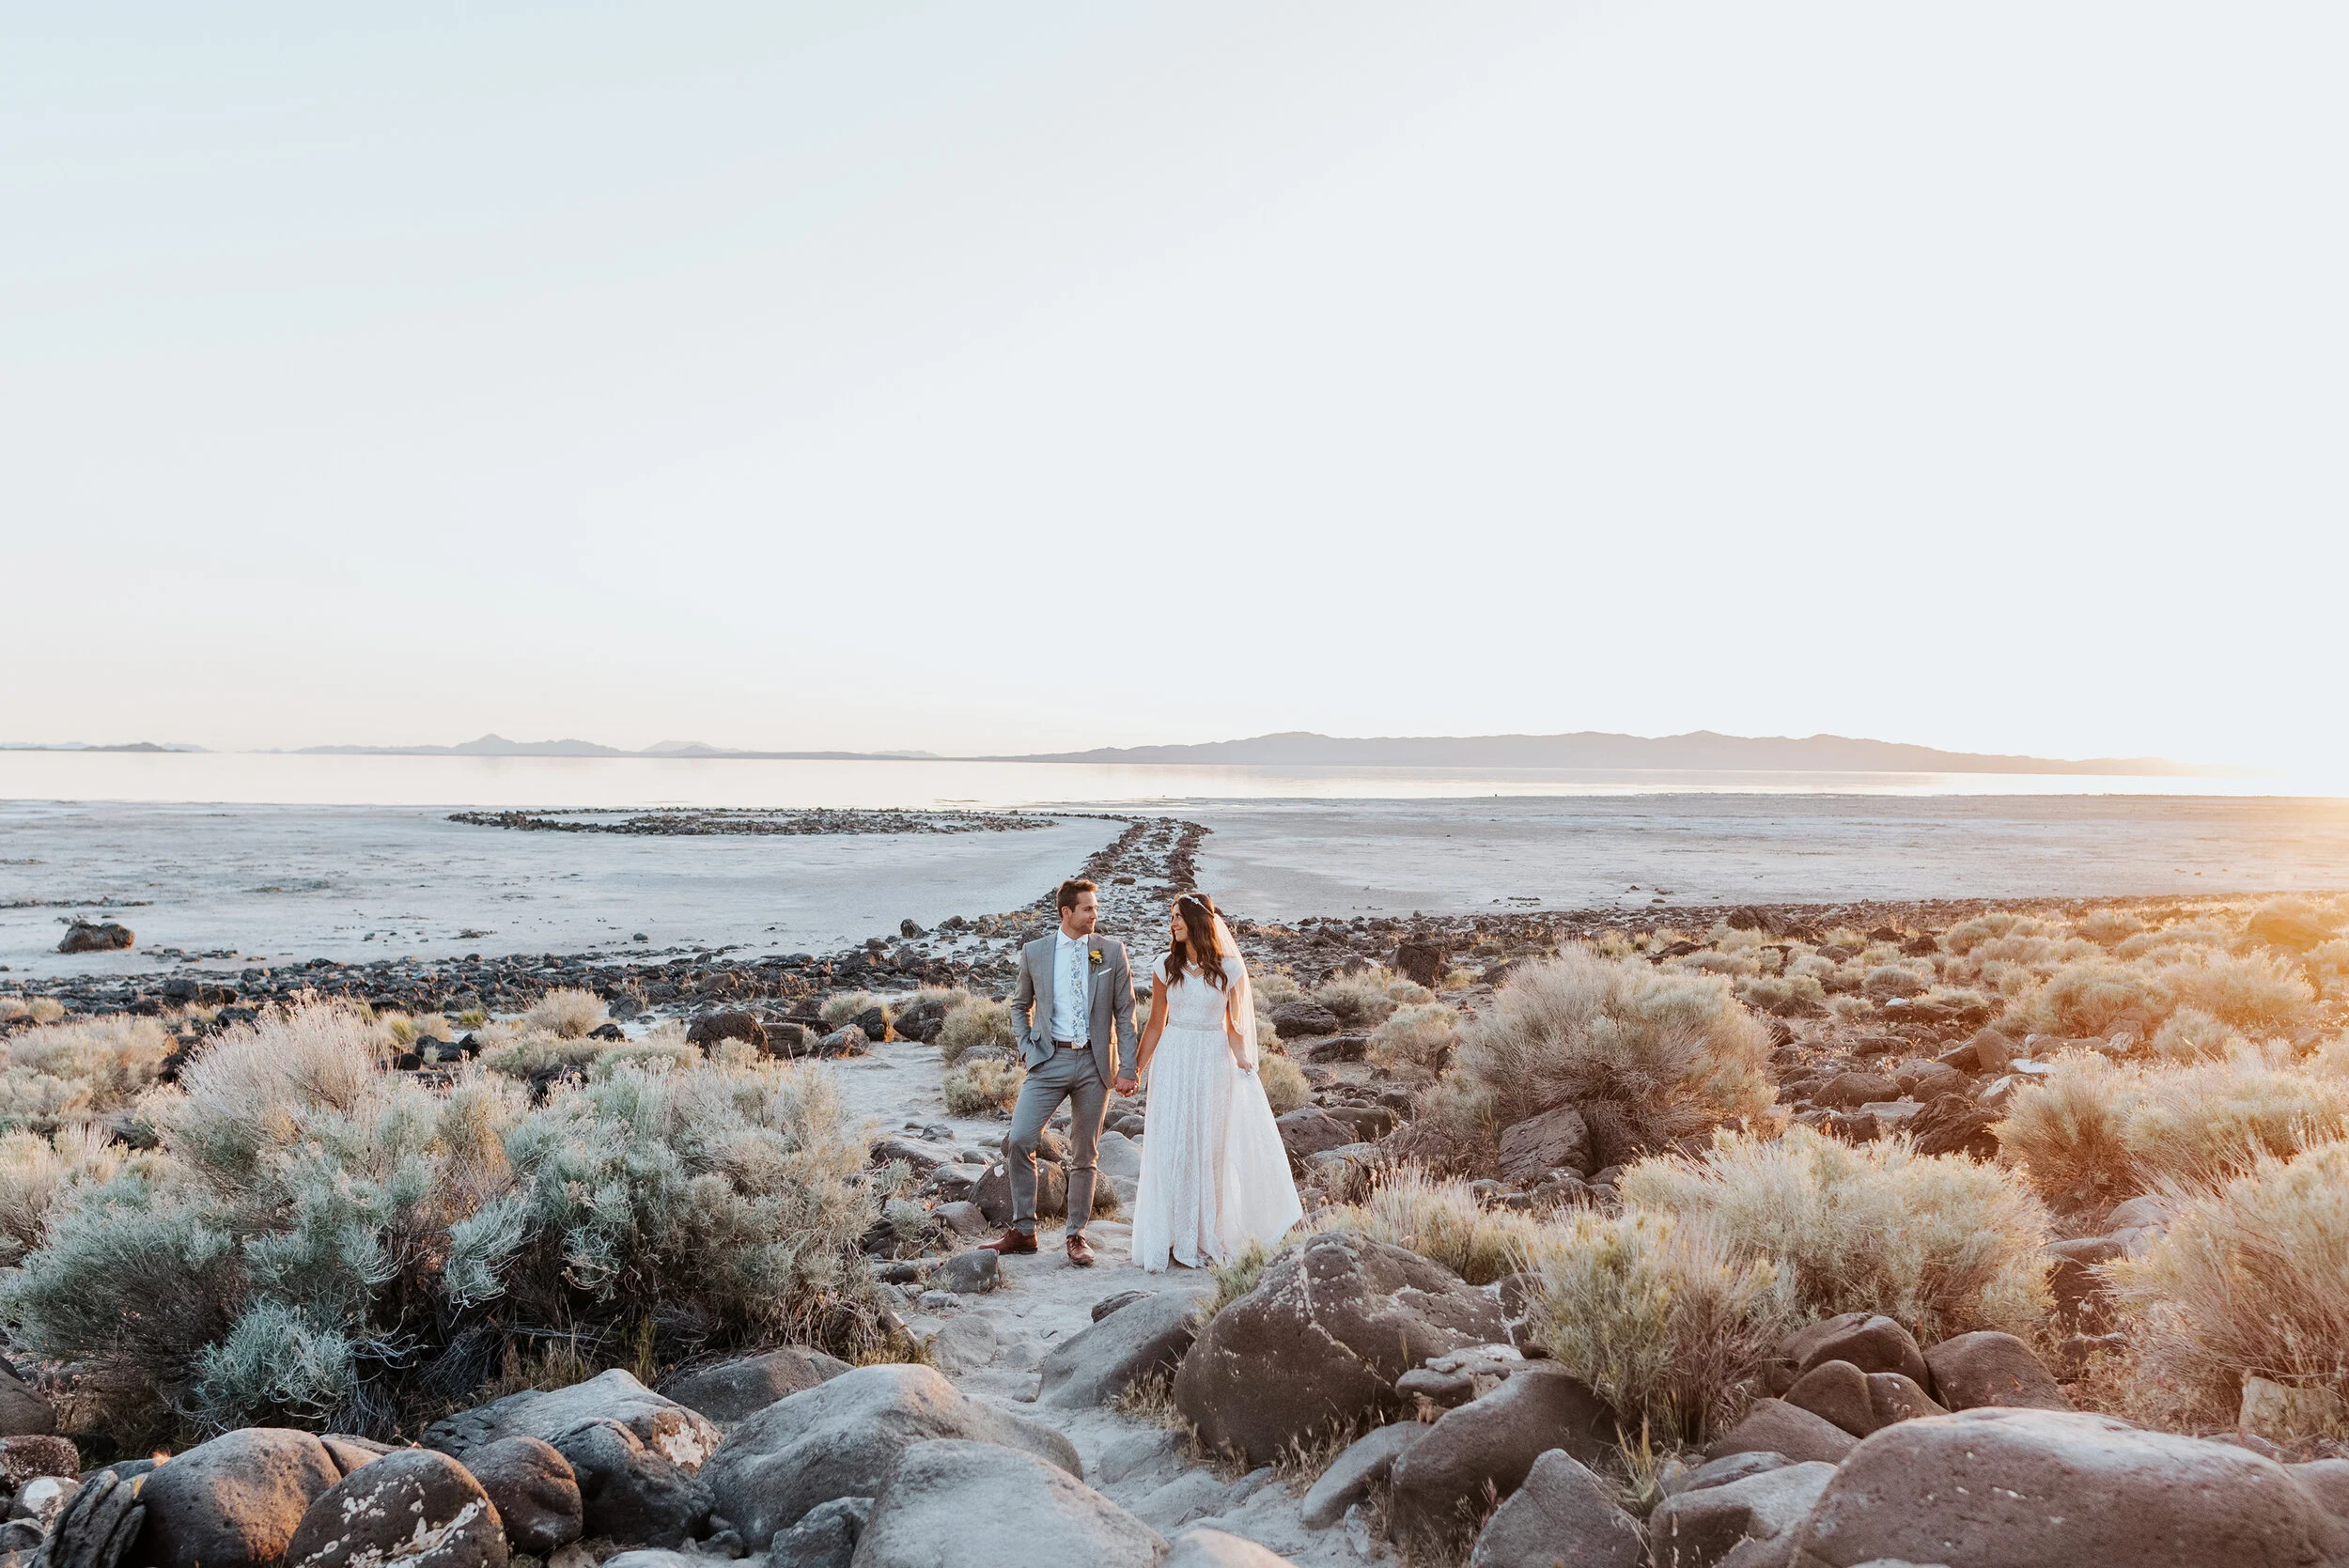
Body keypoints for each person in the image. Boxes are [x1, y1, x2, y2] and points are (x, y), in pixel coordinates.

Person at [1129, 892, 1302, 1272]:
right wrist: (1137, 1068)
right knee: (1173, 1143)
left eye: (1177, 917)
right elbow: (1156, 1024)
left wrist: (1242, 1059)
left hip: (1212, 1059)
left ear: (1197, 923)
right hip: (1174, 1059)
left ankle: (1207, 1235)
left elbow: (1235, 1027)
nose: (1172, 923)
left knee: (1210, 1145)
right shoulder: (1164, 967)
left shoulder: (1230, 969)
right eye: (1171, 917)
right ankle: (1171, 1236)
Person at [982, 877, 1138, 1267]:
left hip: (1095, 1064)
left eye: (1095, 908)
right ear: (1066, 912)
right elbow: (1020, 1005)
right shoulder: (1035, 952)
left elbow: (1126, 1014)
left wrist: (1129, 1067)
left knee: (1085, 1152)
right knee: (1020, 1139)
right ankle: (1023, 1230)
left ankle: (1076, 1235)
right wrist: (1027, 1048)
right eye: (1088, 908)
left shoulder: (1111, 952)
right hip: (1048, 1061)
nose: (1095, 914)